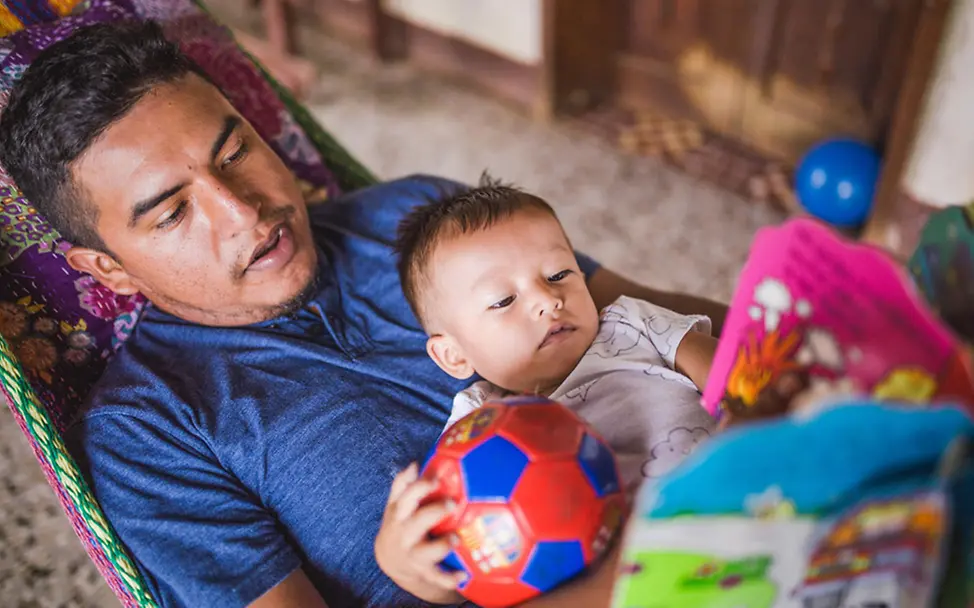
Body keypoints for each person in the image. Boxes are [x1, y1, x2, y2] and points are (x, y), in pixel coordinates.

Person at [0, 20, 727, 608]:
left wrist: (798, 329)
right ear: (107, 267)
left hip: (723, 494)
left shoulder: (420, 218)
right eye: (172, 213)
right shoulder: (150, 430)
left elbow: (645, 314)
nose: (245, 212)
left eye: (234, 152)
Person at [374, 179, 718, 604]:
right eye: (503, 300)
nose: (547, 299)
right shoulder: (475, 426)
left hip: (740, 506)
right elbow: (466, 567)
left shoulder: (631, 324)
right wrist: (406, 566)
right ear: (454, 355)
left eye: (559, 274)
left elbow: (737, 373)